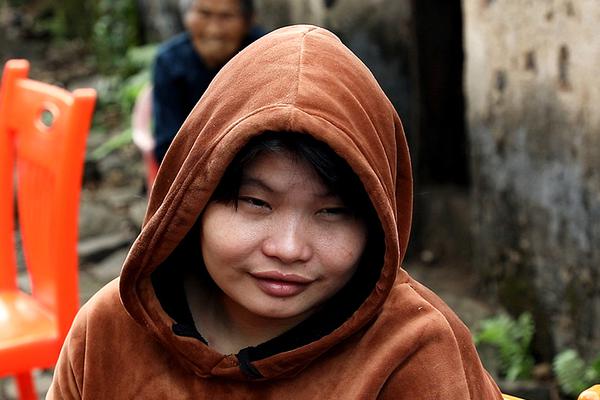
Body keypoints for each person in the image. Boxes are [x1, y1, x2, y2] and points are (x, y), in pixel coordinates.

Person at [48, 25, 504, 399]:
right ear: (193, 202)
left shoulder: (412, 351)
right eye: (255, 203)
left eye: (332, 212)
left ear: (377, 225)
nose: (288, 249)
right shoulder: (111, 330)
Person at [152, 0, 264, 164]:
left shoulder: (265, 52)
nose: (214, 29)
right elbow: (167, 147)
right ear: (187, 17)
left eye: (226, 16)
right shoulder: (169, 61)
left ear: (248, 21)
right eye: (204, 14)